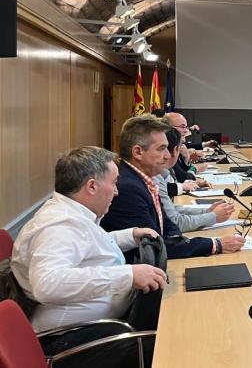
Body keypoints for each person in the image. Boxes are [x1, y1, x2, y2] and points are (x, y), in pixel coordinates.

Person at [11, 146, 166, 367]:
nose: (116, 191)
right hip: (71, 341)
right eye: (113, 183)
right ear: (92, 186)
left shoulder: (72, 214)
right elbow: (48, 284)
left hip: (94, 327)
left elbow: (90, 246)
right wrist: (128, 275)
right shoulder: (58, 226)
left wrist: (129, 236)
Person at [101, 115, 245, 259]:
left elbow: (167, 225)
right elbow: (157, 245)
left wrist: (178, 239)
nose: (167, 155)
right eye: (161, 149)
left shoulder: (143, 178)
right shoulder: (128, 188)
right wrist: (215, 244)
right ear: (138, 152)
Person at [157, 127, 235, 232]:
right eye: (161, 149)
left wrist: (207, 211)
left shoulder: (158, 173)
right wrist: (213, 217)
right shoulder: (155, 175)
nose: (166, 155)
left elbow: (171, 210)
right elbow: (175, 222)